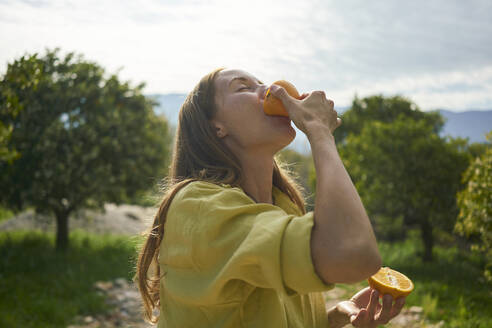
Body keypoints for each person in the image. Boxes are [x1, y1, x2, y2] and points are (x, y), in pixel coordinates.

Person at [135, 68, 406, 327]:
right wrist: (319, 132)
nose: (273, 89)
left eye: (261, 83)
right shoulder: (198, 207)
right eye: (244, 88)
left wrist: (338, 315)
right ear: (216, 127)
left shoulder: (283, 206)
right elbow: (353, 255)